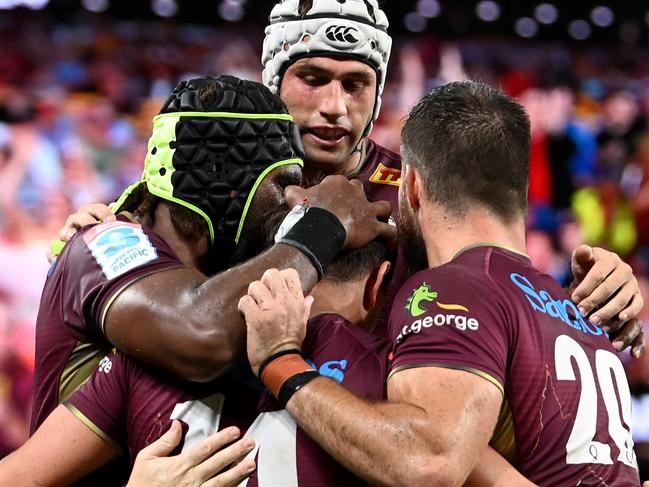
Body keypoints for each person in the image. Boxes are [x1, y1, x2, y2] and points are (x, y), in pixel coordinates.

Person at [58, 0, 645, 354]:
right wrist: (106, 235)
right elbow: (152, 288)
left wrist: (598, 299)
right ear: (272, 83)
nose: (335, 105)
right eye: (312, 78)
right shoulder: (208, 180)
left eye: (355, 83)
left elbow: (503, 289)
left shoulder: (417, 191)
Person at [239, 81, 642, 486]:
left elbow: (427, 462)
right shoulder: (577, 310)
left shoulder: (453, 288)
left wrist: (280, 361)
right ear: (519, 191)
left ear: (413, 185)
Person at [31, 73, 393, 436]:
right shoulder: (104, 244)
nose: (293, 199)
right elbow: (202, 334)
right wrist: (324, 226)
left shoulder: (220, 274)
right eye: (283, 182)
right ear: (224, 183)